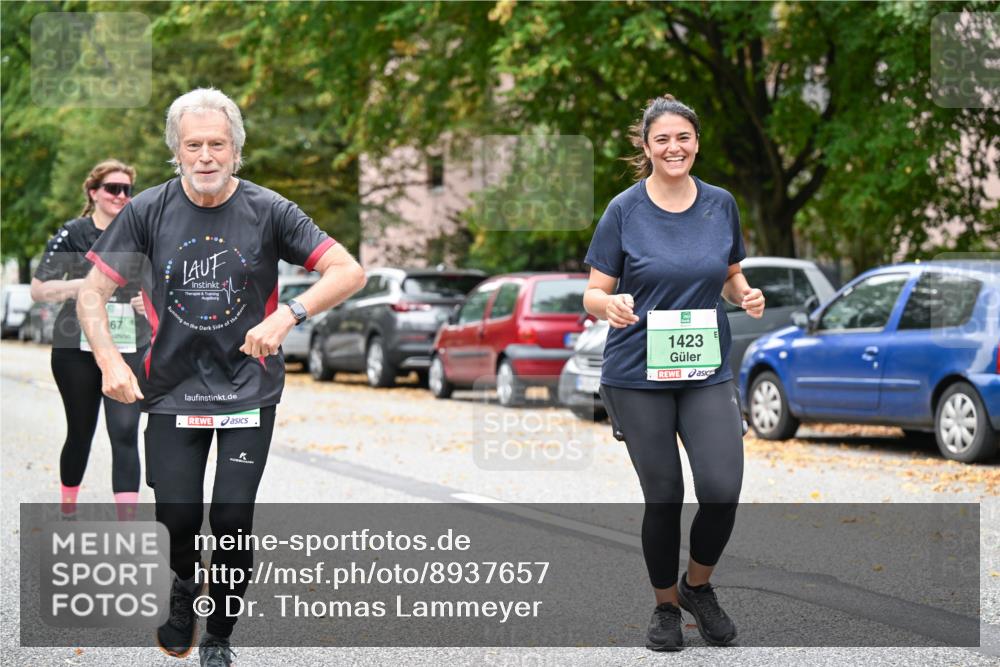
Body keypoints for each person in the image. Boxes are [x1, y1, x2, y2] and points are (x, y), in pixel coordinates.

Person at [77, 88, 366, 667]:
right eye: (193, 145)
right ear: (176, 152)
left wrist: (288, 314)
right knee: (179, 516)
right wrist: (109, 360)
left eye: (218, 144)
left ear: (236, 151)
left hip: (246, 391)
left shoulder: (270, 210)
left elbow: (349, 270)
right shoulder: (147, 210)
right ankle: (184, 588)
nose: (206, 156)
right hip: (169, 391)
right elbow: (93, 291)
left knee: (232, 518)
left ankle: (219, 637)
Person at [583, 94, 765, 651]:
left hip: (704, 366)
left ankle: (697, 587)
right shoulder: (624, 210)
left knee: (722, 488)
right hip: (638, 372)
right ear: (646, 146)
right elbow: (594, 291)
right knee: (664, 494)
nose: (673, 147)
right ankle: (665, 607)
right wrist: (607, 307)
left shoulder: (721, 204)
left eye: (682, 137)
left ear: (696, 142)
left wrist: (745, 293)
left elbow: (729, 273)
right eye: (661, 139)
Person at [30, 159, 149, 521]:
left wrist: (150, 301)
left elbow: (164, 281)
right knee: (81, 430)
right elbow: (39, 289)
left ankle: (127, 522)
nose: (121, 196)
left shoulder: (141, 231)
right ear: (94, 192)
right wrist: (85, 288)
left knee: (125, 430)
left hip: (130, 343)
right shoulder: (74, 233)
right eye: (113, 188)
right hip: (75, 347)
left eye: (127, 190)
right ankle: (68, 507)